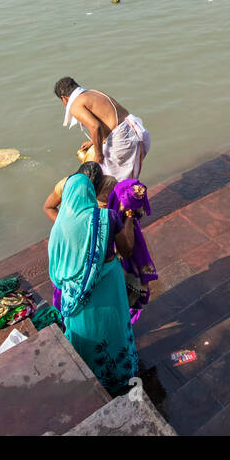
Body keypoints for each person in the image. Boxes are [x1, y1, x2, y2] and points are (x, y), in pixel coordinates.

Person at [45, 162, 139, 395]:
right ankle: (119, 376)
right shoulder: (106, 218)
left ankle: (87, 372)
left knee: (86, 332)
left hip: (73, 295)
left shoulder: (60, 225)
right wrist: (128, 217)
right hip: (107, 285)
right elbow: (126, 249)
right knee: (112, 327)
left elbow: (56, 270)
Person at [56, 78, 151, 183]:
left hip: (123, 138)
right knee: (128, 179)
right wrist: (93, 141)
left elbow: (95, 126)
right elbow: (108, 120)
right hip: (135, 129)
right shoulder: (93, 93)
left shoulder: (75, 104)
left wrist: (99, 155)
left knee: (114, 184)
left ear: (64, 98)